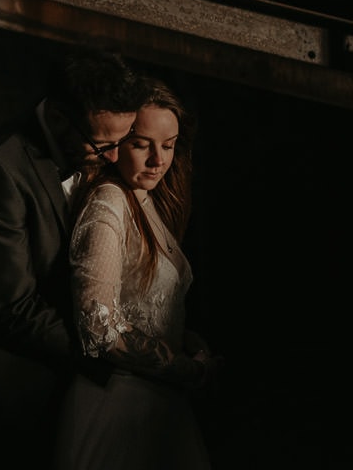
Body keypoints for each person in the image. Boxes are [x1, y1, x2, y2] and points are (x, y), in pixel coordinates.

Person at [0, 47, 150, 470]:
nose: (115, 157)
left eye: (121, 142)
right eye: (103, 145)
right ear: (59, 118)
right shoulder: (0, 168)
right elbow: (11, 306)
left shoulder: (106, 152)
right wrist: (109, 357)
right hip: (27, 381)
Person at [55, 77, 216, 470]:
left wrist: (187, 341)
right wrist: (184, 367)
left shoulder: (146, 200)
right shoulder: (109, 202)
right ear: (117, 145)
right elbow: (98, 327)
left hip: (158, 403)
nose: (158, 160)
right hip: (120, 404)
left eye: (169, 145)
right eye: (142, 144)